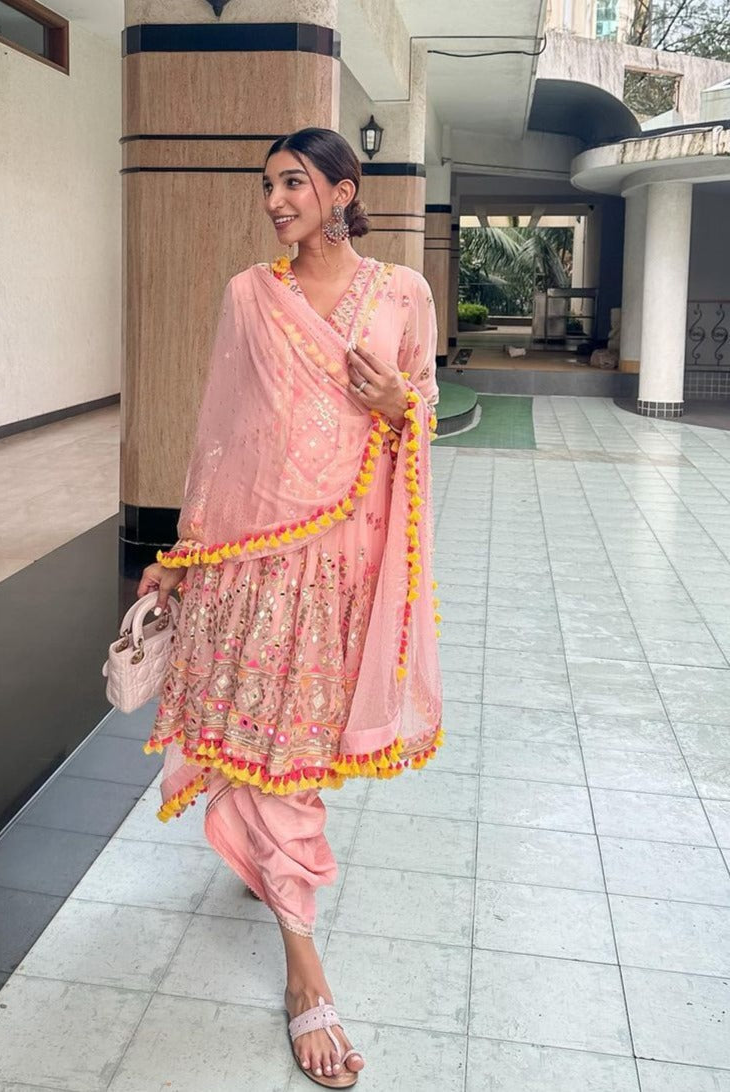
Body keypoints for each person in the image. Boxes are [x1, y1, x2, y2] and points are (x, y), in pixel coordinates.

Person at [136, 127, 443, 1089]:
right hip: (252, 561)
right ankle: (303, 964)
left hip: (343, 561)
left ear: (343, 191)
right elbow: (220, 435)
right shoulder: (248, 295)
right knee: (264, 742)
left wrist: (398, 405)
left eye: (295, 183)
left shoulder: (402, 293)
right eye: (268, 185)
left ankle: (268, 862)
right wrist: (183, 556)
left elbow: (425, 405)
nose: (275, 200)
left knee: (294, 740)